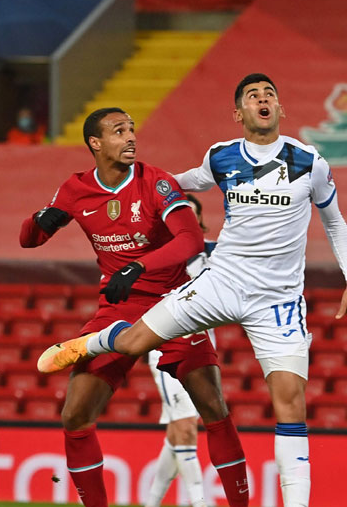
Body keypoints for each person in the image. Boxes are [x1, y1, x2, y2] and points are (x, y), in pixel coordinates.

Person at [37, 74, 347, 507]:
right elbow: (179, 183)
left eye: (270, 94)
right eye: (253, 96)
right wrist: (136, 194)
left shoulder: (310, 162)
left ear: (280, 109)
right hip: (220, 282)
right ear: (239, 114)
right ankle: (91, 342)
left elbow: (334, 221)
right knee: (135, 339)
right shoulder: (221, 157)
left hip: (278, 298)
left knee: (291, 406)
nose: (263, 99)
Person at [21, 108, 249, 507]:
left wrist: (140, 265)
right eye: (118, 131)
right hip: (119, 306)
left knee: (213, 408)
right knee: (75, 415)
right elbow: (28, 240)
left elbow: (191, 240)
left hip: (176, 303)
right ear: (95, 143)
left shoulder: (156, 182)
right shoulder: (75, 189)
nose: (130, 138)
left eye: (131, 130)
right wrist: (43, 219)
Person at [143, 195, 215, 507]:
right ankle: (200, 502)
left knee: (178, 433)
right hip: (166, 348)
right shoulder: (157, 256)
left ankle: (151, 503)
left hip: (201, 349)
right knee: (185, 428)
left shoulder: (216, 254)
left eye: (193, 216)